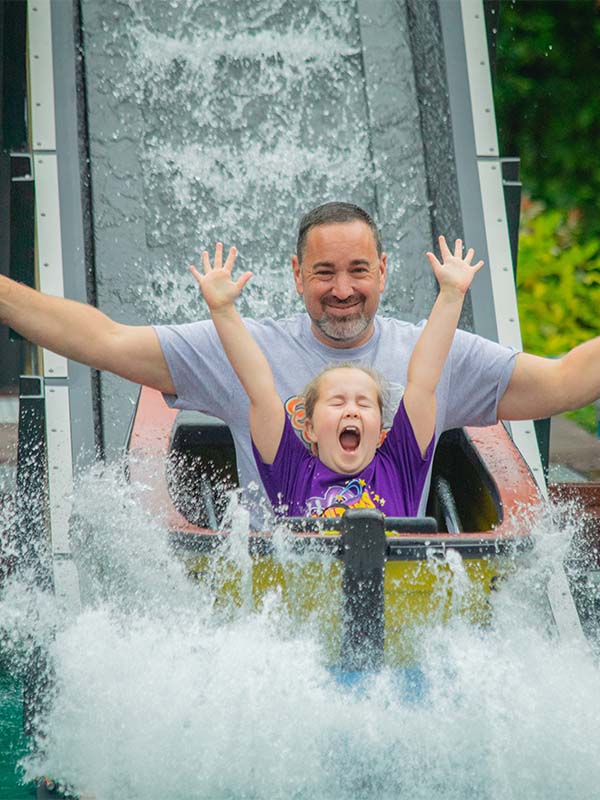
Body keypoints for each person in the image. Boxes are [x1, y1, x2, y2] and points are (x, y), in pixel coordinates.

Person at [1, 201, 600, 518]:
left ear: (384, 271)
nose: (342, 288)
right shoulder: (250, 354)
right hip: (283, 586)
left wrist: (451, 298)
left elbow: (564, 382)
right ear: (296, 275)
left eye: (358, 270)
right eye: (324, 272)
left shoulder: (431, 356)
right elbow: (103, 341)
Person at [191, 238, 483, 518]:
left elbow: (423, 382)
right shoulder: (292, 472)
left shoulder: (399, 466)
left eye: (364, 404)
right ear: (310, 428)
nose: (352, 409)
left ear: (382, 431)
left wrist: (451, 295)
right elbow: (260, 389)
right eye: (337, 402)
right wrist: (222, 310)